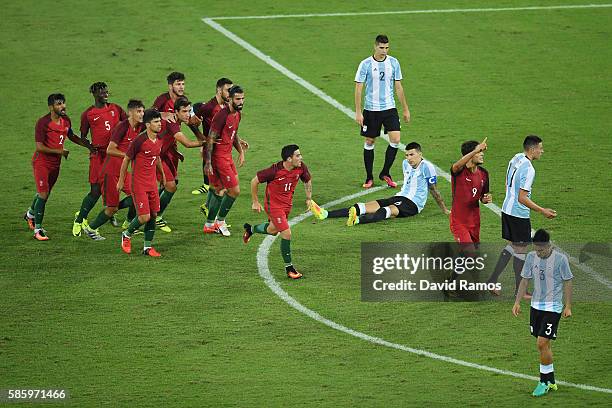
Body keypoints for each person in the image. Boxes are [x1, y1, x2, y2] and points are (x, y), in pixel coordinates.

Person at [312, 142, 449, 225]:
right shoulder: (405, 164)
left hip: (413, 204)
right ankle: (325, 214)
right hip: (399, 196)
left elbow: (433, 190)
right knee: (361, 207)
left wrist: (444, 209)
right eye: (407, 155)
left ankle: (358, 220)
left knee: (387, 210)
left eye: (412, 155)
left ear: (420, 154)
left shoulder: (427, 167)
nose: (408, 158)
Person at [487, 135, 557, 296]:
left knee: (513, 246)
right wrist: (543, 211)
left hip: (506, 208)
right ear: (532, 149)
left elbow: (507, 183)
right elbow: (522, 197)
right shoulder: (529, 169)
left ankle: (493, 281)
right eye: (540, 148)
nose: (542, 151)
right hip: (518, 213)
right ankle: (521, 290)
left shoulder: (516, 157)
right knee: (520, 250)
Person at [512, 229, 573, 397]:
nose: (539, 252)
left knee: (541, 343)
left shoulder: (561, 259)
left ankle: (543, 382)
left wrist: (568, 306)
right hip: (536, 307)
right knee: (545, 345)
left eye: (541, 250)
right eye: (536, 249)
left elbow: (568, 282)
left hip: (553, 308)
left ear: (549, 245)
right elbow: (525, 280)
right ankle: (552, 380)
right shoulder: (531, 257)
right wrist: (517, 302)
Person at [25, 93, 93, 240]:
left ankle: (30, 214)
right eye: (58, 104)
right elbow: (40, 147)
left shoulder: (66, 120)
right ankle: (38, 230)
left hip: (55, 164)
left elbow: (72, 136)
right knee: (43, 194)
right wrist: (60, 151)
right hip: (41, 163)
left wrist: (88, 145)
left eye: (63, 103)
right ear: (51, 107)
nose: (63, 106)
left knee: (45, 192)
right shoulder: (43, 123)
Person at [243, 145, 313, 280]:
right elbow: (254, 181)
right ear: (288, 159)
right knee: (286, 232)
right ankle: (289, 268)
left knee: (273, 230)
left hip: (287, 206)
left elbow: (307, 180)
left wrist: (309, 198)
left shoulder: (300, 167)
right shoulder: (274, 170)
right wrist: (255, 201)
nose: (301, 158)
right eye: (297, 155)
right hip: (273, 206)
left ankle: (250, 229)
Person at [82, 99, 145, 240]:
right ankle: (91, 229)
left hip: (123, 172)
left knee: (139, 195)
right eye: (138, 111)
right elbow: (110, 150)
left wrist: (166, 115)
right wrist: (129, 155)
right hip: (110, 172)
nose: (141, 114)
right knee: (112, 208)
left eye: (142, 111)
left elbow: (154, 118)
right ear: (130, 112)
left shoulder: (139, 126)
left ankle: (129, 224)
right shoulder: (122, 127)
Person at [355, 34, 410, 189]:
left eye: (386, 48)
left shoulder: (393, 62)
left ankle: (385, 172)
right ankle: (369, 177)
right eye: (381, 47)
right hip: (371, 110)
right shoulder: (365, 64)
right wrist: (358, 112)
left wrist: (405, 108)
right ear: (375, 46)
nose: (384, 51)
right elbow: (358, 89)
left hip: (389, 108)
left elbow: (398, 87)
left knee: (396, 139)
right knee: (370, 141)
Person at [72, 82, 127, 236]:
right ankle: (79, 219)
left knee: (114, 187)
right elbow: (83, 136)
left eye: (106, 91)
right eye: (102, 92)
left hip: (114, 155)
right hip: (98, 156)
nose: (105, 94)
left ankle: (110, 212)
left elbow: (128, 124)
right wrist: (90, 147)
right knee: (95, 190)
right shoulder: (88, 114)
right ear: (94, 94)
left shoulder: (116, 108)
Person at [118, 109, 166, 257]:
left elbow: (156, 157)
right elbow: (126, 159)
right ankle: (126, 234)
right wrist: (121, 180)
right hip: (139, 184)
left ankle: (147, 247)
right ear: (147, 124)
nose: (159, 124)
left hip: (152, 183)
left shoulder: (159, 140)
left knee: (153, 214)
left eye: (160, 121)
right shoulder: (139, 140)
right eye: (156, 122)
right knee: (144, 217)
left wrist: (162, 175)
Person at [154, 97, 206, 232]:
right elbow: (188, 144)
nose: (187, 114)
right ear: (176, 111)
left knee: (168, 184)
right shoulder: (172, 123)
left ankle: (149, 210)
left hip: (164, 154)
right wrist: (206, 142)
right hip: (155, 157)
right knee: (170, 187)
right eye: (184, 111)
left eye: (189, 111)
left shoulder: (175, 120)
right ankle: (156, 216)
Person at [203, 85, 247, 237]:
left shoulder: (237, 114)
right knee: (234, 191)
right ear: (229, 99)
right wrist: (208, 162)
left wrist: (240, 151)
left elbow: (233, 134)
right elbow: (210, 138)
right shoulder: (222, 115)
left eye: (242, 99)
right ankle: (220, 221)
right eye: (237, 99)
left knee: (219, 190)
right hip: (218, 157)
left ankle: (209, 224)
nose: (241, 102)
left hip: (227, 156)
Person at [190, 77, 234, 196]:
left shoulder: (226, 106)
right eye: (228, 90)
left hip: (223, 146)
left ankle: (209, 203)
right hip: (211, 146)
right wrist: (201, 137)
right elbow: (191, 121)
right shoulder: (209, 107)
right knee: (218, 183)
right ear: (219, 91)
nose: (231, 93)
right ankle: (210, 206)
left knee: (219, 181)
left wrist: (238, 140)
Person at [449, 138, 492, 245]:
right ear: (470, 155)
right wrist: (475, 150)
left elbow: (482, 197)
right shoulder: (459, 170)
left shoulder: (484, 173)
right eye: (479, 152)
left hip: (475, 221)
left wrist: (485, 199)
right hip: (459, 221)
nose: (482, 154)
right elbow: (457, 165)